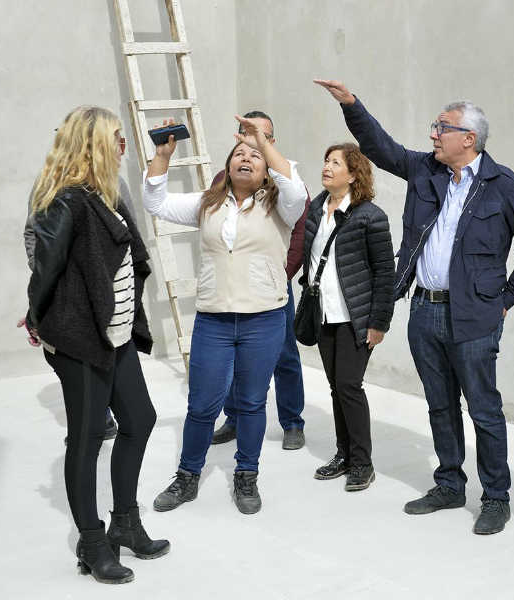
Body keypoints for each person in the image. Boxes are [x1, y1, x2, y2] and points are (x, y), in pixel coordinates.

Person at [314, 80, 514, 534]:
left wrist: (504, 300)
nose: (433, 135)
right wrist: (352, 106)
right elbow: (381, 149)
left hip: (475, 316)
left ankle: (496, 497)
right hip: (424, 310)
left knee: (483, 409)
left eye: (441, 128)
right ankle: (449, 484)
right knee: (439, 406)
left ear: (469, 138)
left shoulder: (503, 185)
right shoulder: (426, 171)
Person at [25, 106, 168, 585]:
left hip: (117, 335)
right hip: (81, 339)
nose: (123, 146)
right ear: (94, 144)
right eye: (117, 138)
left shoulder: (106, 195)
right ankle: (92, 541)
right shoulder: (65, 200)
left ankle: (125, 522)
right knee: (86, 440)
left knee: (140, 419)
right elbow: (44, 270)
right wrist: (38, 319)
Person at [145, 115, 307, 515]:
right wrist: (162, 157)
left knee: (252, 403)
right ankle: (187, 476)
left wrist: (261, 141)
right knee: (202, 405)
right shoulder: (207, 203)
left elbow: (297, 189)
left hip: (263, 320)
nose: (246, 158)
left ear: (267, 166)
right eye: (239, 153)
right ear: (227, 164)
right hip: (214, 320)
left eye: (255, 154)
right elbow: (156, 203)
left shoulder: (280, 205)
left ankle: (246, 475)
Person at [209, 110, 309, 451]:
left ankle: (292, 421)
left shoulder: (286, 177)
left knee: (284, 356)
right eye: (247, 132)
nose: (253, 139)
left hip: (272, 287)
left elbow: (299, 236)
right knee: (236, 356)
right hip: (233, 289)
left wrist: (278, 276)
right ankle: (235, 417)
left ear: (272, 141)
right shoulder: (224, 177)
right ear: (237, 137)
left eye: (261, 134)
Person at [304, 143, 394, 491]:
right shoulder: (316, 209)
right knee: (335, 388)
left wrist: (378, 323)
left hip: (356, 317)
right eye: (326, 160)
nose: (326, 167)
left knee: (348, 386)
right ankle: (343, 455)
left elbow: (385, 272)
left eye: (335, 163)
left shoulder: (370, 216)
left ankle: (362, 462)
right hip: (324, 314)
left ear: (353, 174)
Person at [20, 176, 135, 442]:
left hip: (109, 291)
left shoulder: (114, 181)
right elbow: (31, 232)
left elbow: (130, 232)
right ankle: (94, 419)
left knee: (110, 353)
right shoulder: (47, 182)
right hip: (68, 294)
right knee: (77, 358)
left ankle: (102, 411)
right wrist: (44, 273)